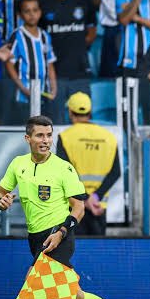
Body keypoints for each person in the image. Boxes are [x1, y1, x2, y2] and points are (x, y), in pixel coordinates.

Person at [0, 115, 142, 299]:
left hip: (59, 236)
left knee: (34, 285)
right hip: (36, 238)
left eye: (49, 135)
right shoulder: (18, 164)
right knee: (74, 297)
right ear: (28, 138)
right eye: (40, 135)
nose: (45, 140)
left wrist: (61, 232)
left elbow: (79, 208)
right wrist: (0, 200)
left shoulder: (63, 168)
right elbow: (0, 191)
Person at [39, 0, 97, 124]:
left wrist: (78, 49)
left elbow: (91, 33)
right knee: (53, 122)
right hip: (54, 75)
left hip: (80, 72)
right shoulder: (42, 3)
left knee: (83, 121)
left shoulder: (85, 0)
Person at [56, 93, 121, 235]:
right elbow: (116, 172)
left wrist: (85, 198)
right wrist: (95, 197)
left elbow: (65, 173)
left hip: (74, 207)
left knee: (73, 247)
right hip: (98, 206)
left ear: (70, 112)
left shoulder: (65, 137)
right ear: (90, 112)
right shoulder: (109, 137)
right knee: (97, 248)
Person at [5, 0, 57, 125]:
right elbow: (9, 65)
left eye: (35, 10)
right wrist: (23, 88)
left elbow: (50, 64)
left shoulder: (45, 36)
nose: (32, 14)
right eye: (27, 11)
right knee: (27, 128)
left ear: (40, 12)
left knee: (44, 129)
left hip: (44, 95)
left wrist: (54, 88)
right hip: (24, 96)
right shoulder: (17, 36)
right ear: (20, 15)